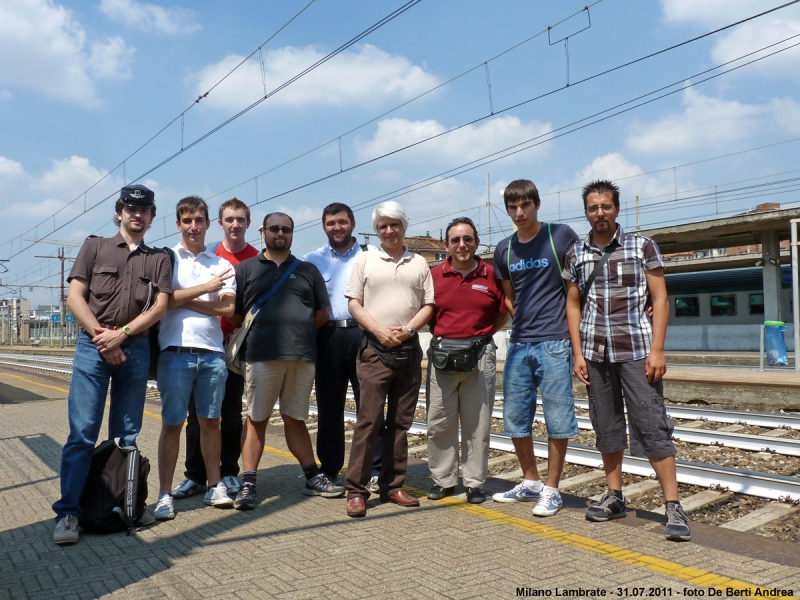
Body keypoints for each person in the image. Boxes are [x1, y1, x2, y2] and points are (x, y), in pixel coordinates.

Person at [563, 179, 690, 542]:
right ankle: (614, 495)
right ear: (585, 212)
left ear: (616, 209)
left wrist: (658, 349)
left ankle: (673, 505)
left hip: (636, 350)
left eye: (605, 206)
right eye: (592, 207)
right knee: (606, 425)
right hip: (595, 352)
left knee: (652, 426)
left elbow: (660, 298)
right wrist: (577, 353)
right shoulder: (576, 253)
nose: (599, 213)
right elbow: (573, 304)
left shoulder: (642, 246)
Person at [52, 184, 172, 544]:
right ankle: (69, 514)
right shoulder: (95, 247)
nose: (137, 214)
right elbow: (75, 296)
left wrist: (123, 335)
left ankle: (121, 506)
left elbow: (160, 306)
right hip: (93, 347)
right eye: (130, 208)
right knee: (82, 434)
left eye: (144, 210)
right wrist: (103, 338)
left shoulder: (160, 257)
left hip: (134, 348)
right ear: (119, 212)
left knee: (126, 435)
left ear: (151, 216)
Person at [232, 212, 344, 509]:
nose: (280, 233)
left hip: (301, 356)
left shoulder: (308, 270)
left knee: (295, 419)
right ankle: (248, 484)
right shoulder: (245, 270)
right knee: (257, 419)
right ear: (264, 231)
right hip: (261, 356)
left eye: (286, 229)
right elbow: (236, 314)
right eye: (275, 228)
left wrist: (297, 332)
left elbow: (321, 314)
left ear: (292, 233)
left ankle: (312, 476)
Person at [492, 179, 580, 517]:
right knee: (515, 417)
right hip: (519, 343)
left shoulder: (560, 236)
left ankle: (553, 490)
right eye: (512, 207)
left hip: (556, 341)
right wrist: (523, 321)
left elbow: (578, 284)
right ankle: (530, 481)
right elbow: (508, 295)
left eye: (525, 205)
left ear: (537, 204)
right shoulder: (505, 248)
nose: (519, 212)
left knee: (559, 418)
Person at [343, 201, 434, 517]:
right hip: (374, 352)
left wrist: (408, 329)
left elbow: (428, 306)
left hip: (408, 352)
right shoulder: (365, 260)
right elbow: (354, 303)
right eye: (383, 225)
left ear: (404, 227)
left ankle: (393, 485)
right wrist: (379, 331)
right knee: (368, 423)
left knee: (400, 424)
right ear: (377, 229)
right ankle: (356, 490)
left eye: (394, 224)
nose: (389, 230)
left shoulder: (420, 263)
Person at [152, 196, 237, 520]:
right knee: (172, 424)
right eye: (187, 221)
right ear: (178, 224)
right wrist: (205, 289)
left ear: (207, 224)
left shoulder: (220, 264)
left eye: (199, 220)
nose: (193, 226)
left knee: (211, 422)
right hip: (174, 352)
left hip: (213, 353)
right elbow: (162, 301)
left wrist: (183, 300)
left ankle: (214, 485)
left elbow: (227, 308)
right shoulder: (167, 259)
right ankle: (164, 493)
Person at [174, 198, 259, 499]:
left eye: (240, 219)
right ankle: (195, 475)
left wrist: (183, 300)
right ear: (219, 223)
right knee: (198, 415)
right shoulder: (210, 256)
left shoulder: (256, 259)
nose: (235, 224)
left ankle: (229, 472)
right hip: (206, 343)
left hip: (236, 347)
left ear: (248, 223)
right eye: (229, 219)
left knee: (231, 413)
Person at [426, 217, 507, 504]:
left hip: (480, 355)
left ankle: (474, 483)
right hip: (443, 356)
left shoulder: (492, 274)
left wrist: (482, 337)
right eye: (456, 240)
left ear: (477, 242)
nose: (462, 245)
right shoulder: (433, 275)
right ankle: (443, 480)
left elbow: (503, 312)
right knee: (439, 421)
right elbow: (426, 312)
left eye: (468, 239)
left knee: (478, 423)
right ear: (446, 245)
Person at [303, 203, 384, 488]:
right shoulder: (311, 260)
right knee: (329, 408)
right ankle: (330, 468)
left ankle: (374, 469)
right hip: (328, 338)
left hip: (364, 335)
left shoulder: (372, 254)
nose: (337, 227)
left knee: (371, 407)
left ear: (352, 223)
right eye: (330, 223)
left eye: (342, 222)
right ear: (323, 227)